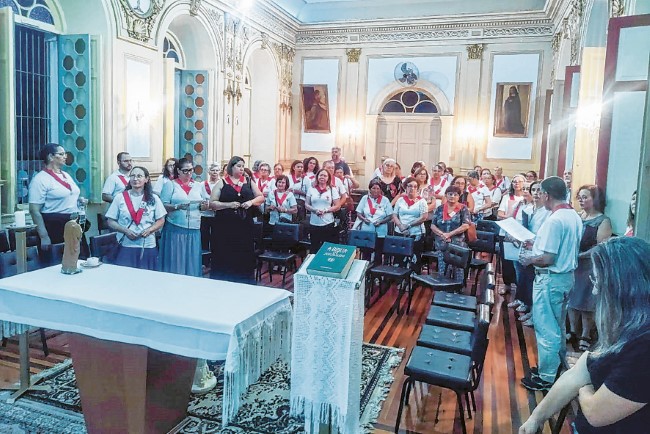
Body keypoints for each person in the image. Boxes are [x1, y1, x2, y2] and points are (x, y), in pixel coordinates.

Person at [519, 236, 650, 434]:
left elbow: (596, 413)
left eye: (597, 280)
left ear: (621, 286)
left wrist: (584, 387)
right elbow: (574, 375)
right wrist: (535, 418)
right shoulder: (624, 327)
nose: (595, 290)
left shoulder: (643, 349)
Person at [519, 176, 582, 391]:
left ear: (546, 195)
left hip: (550, 278)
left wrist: (529, 258)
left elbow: (548, 258)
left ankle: (546, 377)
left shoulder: (554, 220)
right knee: (557, 324)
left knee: (547, 328)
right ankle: (555, 369)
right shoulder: (573, 215)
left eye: (541, 193)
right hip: (565, 278)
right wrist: (535, 244)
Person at [568, 185, 612, 351]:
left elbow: (601, 246)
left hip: (590, 265)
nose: (581, 200)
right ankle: (573, 330)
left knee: (586, 301)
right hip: (574, 263)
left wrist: (581, 255)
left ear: (595, 199)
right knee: (572, 299)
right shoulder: (578, 216)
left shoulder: (603, 220)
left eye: (585, 197)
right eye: (579, 197)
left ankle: (586, 334)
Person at [209, 156, 264, 284]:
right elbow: (212, 203)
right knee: (225, 252)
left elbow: (260, 197)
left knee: (243, 253)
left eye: (242, 166)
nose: (241, 168)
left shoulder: (248, 181)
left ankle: (244, 280)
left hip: (244, 226)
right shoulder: (222, 182)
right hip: (225, 226)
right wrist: (228, 205)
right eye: (238, 166)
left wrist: (251, 202)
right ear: (231, 167)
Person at [29, 144, 87, 262]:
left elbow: (69, 194)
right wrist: (44, 236)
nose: (65, 156)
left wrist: (79, 200)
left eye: (65, 154)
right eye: (61, 154)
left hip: (74, 222)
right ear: (50, 157)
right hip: (55, 225)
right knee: (60, 262)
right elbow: (34, 210)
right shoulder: (40, 179)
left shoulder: (66, 175)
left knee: (79, 260)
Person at [104, 166, 166, 270]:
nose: (135, 179)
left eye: (139, 176)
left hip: (147, 245)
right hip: (126, 245)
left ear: (146, 179)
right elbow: (110, 221)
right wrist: (125, 230)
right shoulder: (120, 197)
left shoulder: (153, 198)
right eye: (132, 176)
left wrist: (149, 230)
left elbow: (161, 220)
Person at [509, 181, 551, 326]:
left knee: (533, 281)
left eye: (539, 190)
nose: (536, 193)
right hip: (524, 247)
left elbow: (544, 232)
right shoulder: (526, 208)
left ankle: (534, 312)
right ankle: (526, 304)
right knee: (523, 278)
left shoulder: (548, 212)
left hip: (537, 249)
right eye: (533, 190)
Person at [159, 158, 209, 277]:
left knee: (191, 257)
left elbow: (204, 205)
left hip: (193, 227)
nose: (189, 173)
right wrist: (177, 206)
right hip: (176, 227)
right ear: (178, 171)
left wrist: (204, 206)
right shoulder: (170, 184)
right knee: (176, 258)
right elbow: (162, 205)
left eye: (191, 170)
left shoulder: (198, 185)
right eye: (185, 170)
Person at [430, 185, 471, 281]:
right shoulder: (440, 208)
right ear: (446, 195)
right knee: (442, 269)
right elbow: (433, 225)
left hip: (457, 245)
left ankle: (457, 291)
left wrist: (450, 234)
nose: (452, 196)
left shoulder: (463, 209)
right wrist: (443, 234)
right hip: (442, 243)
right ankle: (442, 291)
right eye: (450, 194)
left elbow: (466, 225)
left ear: (459, 196)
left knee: (458, 271)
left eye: (455, 194)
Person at [497, 174, 526, 294]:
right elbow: (499, 215)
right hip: (506, 233)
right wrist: (510, 217)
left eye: (519, 181)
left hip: (522, 235)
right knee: (507, 260)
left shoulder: (527, 198)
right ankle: (507, 284)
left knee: (521, 263)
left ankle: (520, 287)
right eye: (514, 181)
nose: (516, 184)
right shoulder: (507, 197)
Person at [392, 177, 428, 273]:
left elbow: (424, 217)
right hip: (400, 231)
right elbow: (394, 214)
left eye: (415, 186)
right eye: (410, 186)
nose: (412, 188)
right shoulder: (400, 200)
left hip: (416, 232)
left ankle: (413, 278)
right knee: (399, 256)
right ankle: (399, 279)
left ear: (418, 189)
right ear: (405, 187)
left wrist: (408, 225)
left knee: (414, 256)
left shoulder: (422, 201)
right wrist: (400, 226)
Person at [354, 179, 394, 265]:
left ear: (381, 190)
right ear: (370, 189)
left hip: (380, 231)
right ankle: (365, 273)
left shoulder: (385, 200)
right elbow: (358, 213)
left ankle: (376, 275)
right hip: (367, 230)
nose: (376, 190)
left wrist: (381, 222)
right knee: (366, 254)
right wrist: (364, 219)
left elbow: (390, 216)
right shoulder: (365, 198)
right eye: (373, 188)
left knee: (378, 254)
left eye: (378, 188)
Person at [305, 168, 341, 251]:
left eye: (325, 176)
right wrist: (315, 210)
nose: (322, 177)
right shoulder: (311, 189)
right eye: (321, 175)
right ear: (317, 177)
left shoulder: (333, 190)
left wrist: (326, 210)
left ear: (328, 178)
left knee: (327, 249)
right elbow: (306, 204)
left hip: (328, 223)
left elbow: (337, 205)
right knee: (314, 248)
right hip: (314, 223)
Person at [200, 163, 221, 253]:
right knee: (204, 237)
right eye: (212, 170)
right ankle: (205, 261)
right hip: (205, 215)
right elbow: (200, 198)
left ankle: (216, 259)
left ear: (219, 171)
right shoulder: (202, 184)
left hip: (218, 215)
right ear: (208, 172)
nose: (215, 172)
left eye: (216, 170)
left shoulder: (222, 184)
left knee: (217, 238)